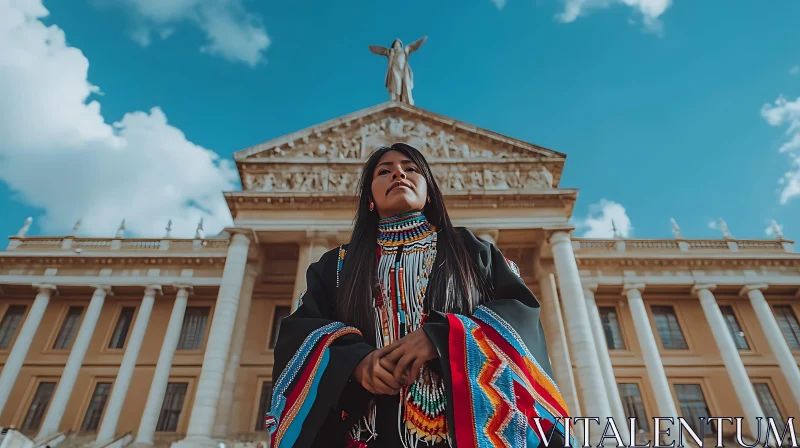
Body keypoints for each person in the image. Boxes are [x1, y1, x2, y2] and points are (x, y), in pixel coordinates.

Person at [265, 143, 574, 448]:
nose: (398, 173)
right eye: (384, 171)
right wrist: (355, 362)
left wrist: (442, 336)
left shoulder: (473, 252)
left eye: (411, 169)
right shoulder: (335, 266)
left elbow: (519, 315)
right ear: (369, 198)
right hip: (368, 432)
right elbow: (300, 332)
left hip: (463, 433)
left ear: (429, 193)